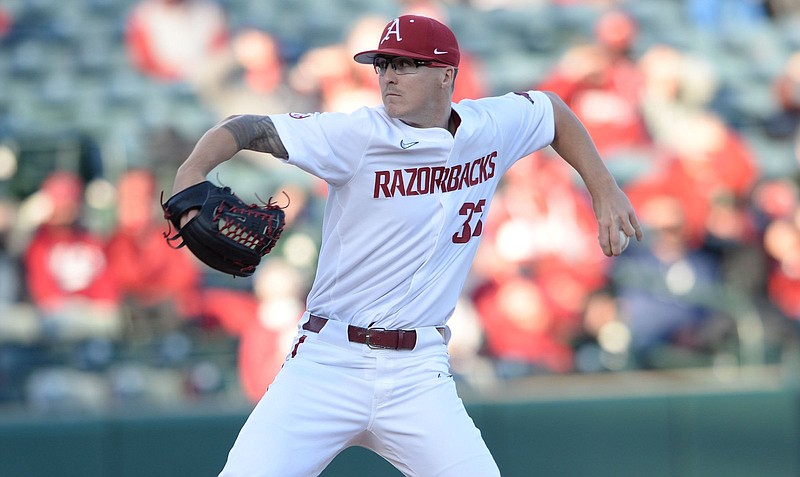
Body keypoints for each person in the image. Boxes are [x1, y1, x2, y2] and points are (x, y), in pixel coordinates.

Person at [169, 15, 641, 477]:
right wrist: (190, 176)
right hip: (328, 362)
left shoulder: (489, 127)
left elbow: (553, 111)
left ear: (446, 75)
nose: (388, 76)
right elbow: (247, 126)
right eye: (382, 65)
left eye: (405, 64)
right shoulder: (358, 134)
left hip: (419, 372)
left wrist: (603, 187)